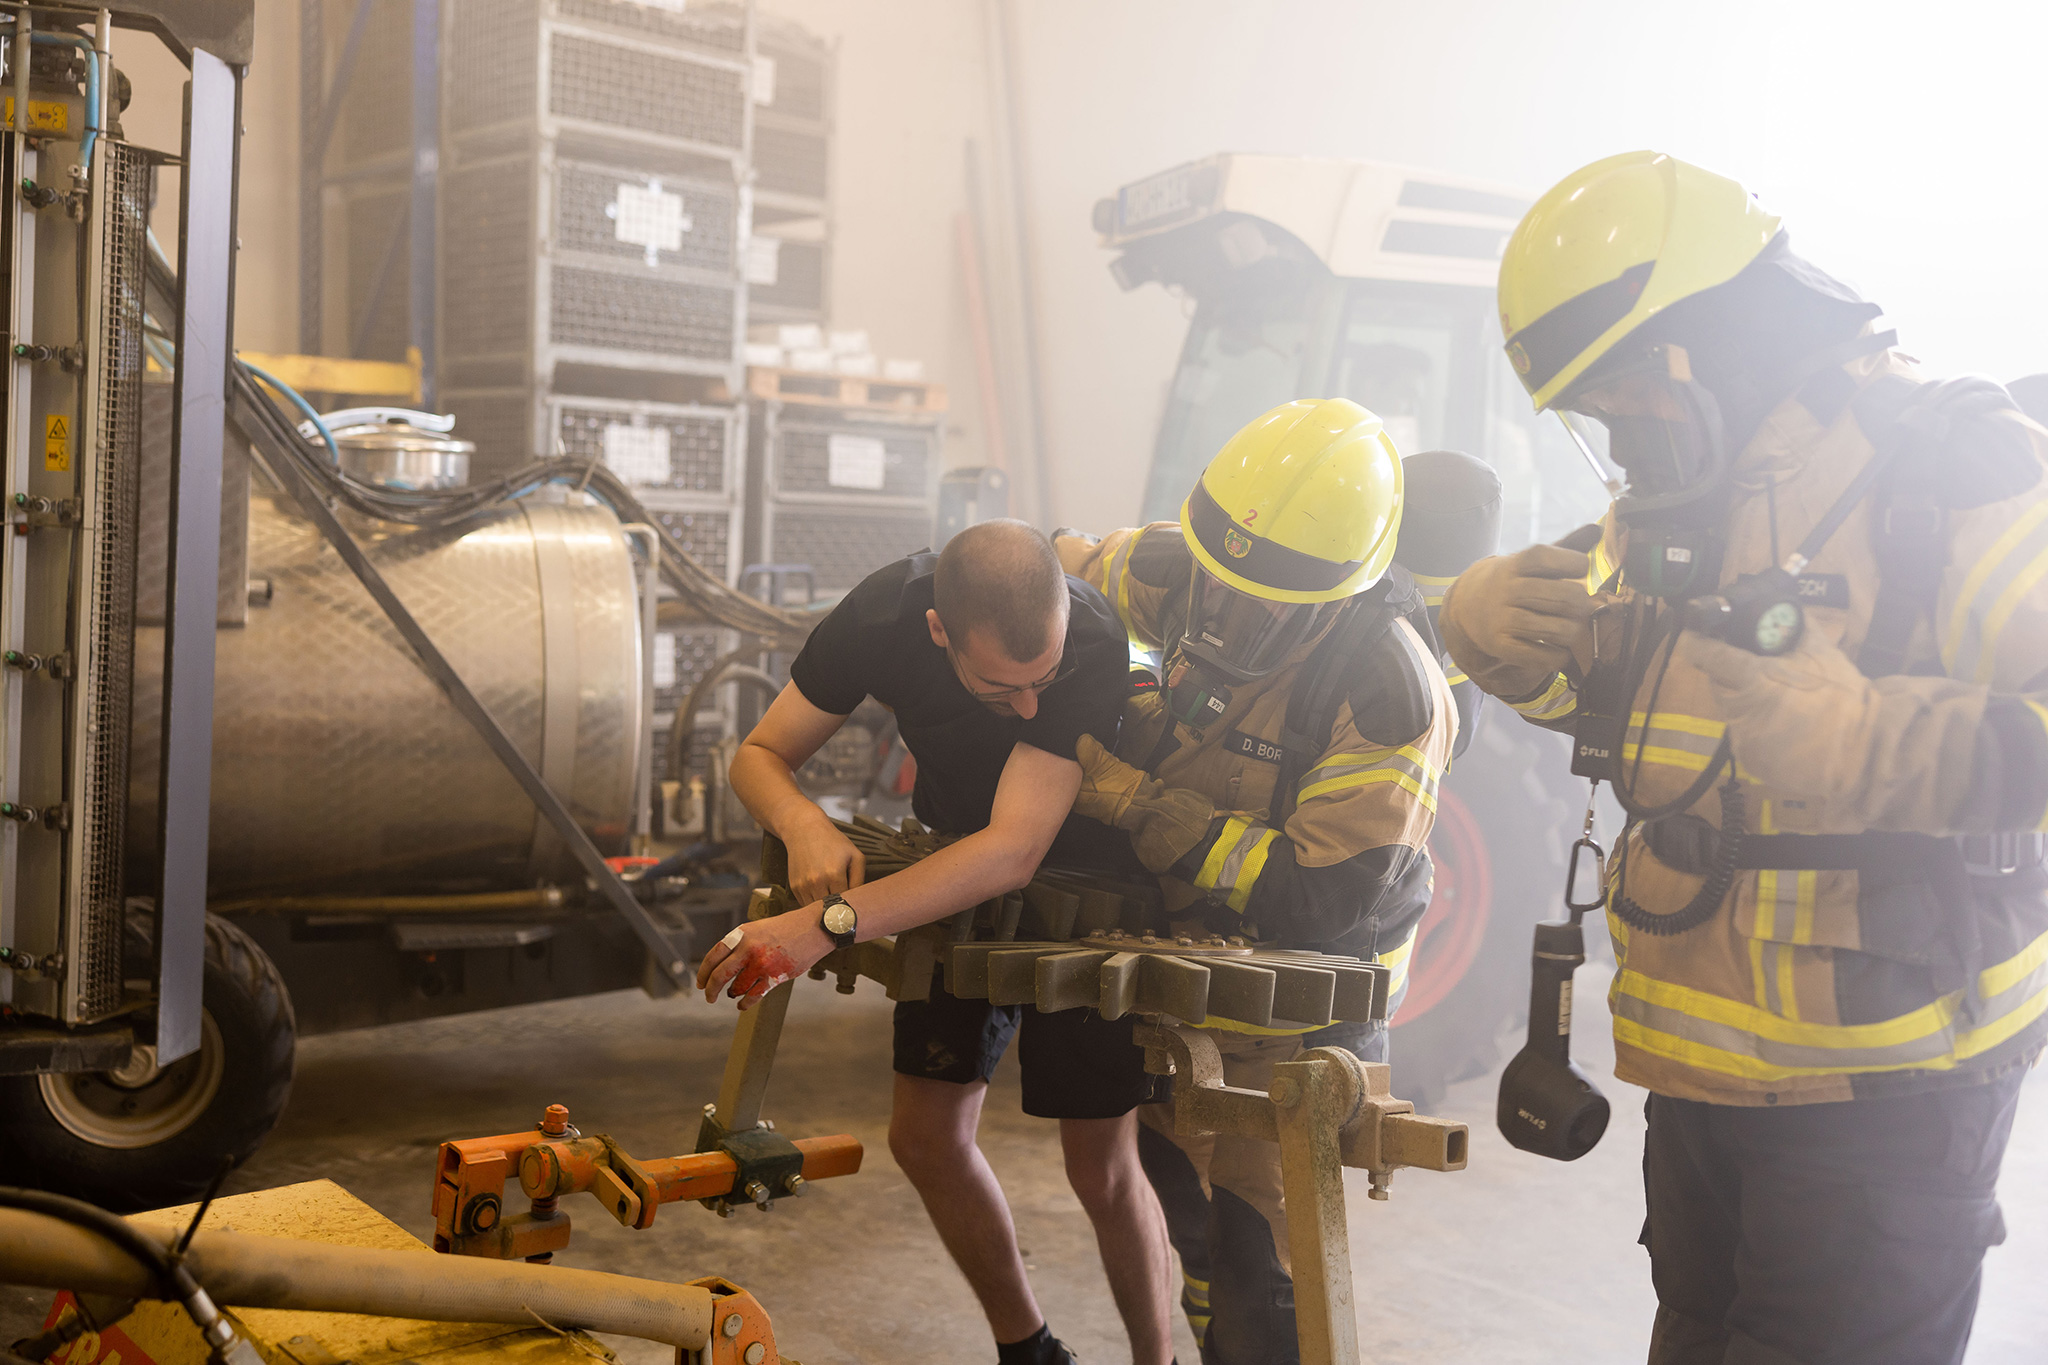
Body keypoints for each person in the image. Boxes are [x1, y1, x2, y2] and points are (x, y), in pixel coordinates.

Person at [1441, 150, 2048, 1365]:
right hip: (1699, 1074)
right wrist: (1496, 642)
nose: (1616, 437)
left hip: (1886, 1090)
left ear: (1706, 344)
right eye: (1592, 410)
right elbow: (1633, 711)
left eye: (1625, 396)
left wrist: (1878, 743)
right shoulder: (1678, 492)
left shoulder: (1956, 470)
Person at [1053, 399, 1483, 1365]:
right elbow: (1056, 570)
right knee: (1185, 1231)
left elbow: (1320, 899)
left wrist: (1140, 805)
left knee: (1264, 1288)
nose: (1228, 614)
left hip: (1300, 1011)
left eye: (1265, 604)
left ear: (1337, 595)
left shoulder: (1388, 693)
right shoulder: (1173, 566)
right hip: (1170, 982)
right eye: (1220, 586)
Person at [699, 519, 1175, 1365]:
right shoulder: (883, 616)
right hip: (952, 865)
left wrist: (824, 924)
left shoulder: (1092, 639)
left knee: (1100, 1168)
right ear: (938, 632)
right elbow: (760, 754)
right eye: (1001, 687)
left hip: (1091, 891)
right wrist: (802, 822)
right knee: (925, 1137)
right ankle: (1029, 1350)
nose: (1030, 704)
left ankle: (1157, 1361)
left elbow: (1015, 849)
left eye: (1044, 680)